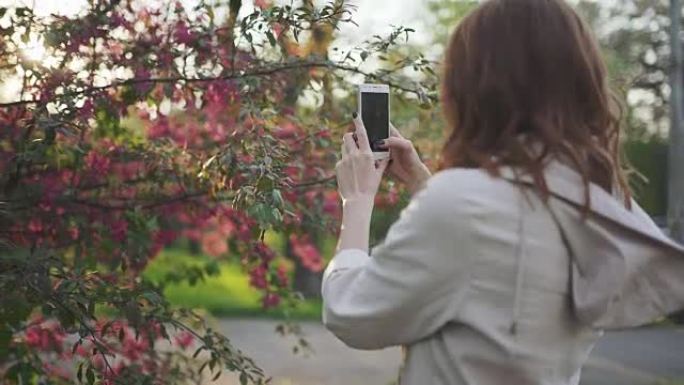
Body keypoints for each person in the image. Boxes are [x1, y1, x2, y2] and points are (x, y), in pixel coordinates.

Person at [320, 0, 684, 384]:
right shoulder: (599, 200)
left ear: (472, 87)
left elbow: (353, 314)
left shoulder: (463, 204)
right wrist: (423, 184)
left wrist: (357, 201)